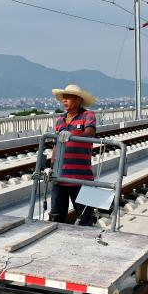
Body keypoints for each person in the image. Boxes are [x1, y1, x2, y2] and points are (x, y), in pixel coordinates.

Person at [49, 84, 97, 225]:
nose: (64, 101)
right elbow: (56, 146)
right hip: (60, 177)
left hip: (82, 178)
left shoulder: (88, 115)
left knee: (86, 219)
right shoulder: (60, 120)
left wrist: (73, 136)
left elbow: (90, 133)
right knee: (56, 218)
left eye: (68, 98)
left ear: (77, 100)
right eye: (63, 98)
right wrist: (52, 166)